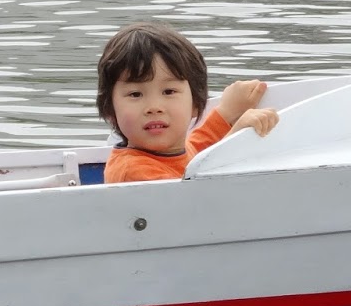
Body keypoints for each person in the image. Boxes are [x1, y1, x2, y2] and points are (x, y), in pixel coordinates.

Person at [96, 22, 278, 184]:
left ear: (196, 104)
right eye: (135, 94)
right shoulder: (132, 172)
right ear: (110, 111)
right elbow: (191, 199)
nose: (154, 107)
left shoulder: (179, 148)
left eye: (169, 91)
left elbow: (199, 144)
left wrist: (226, 112)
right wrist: (235, 140)